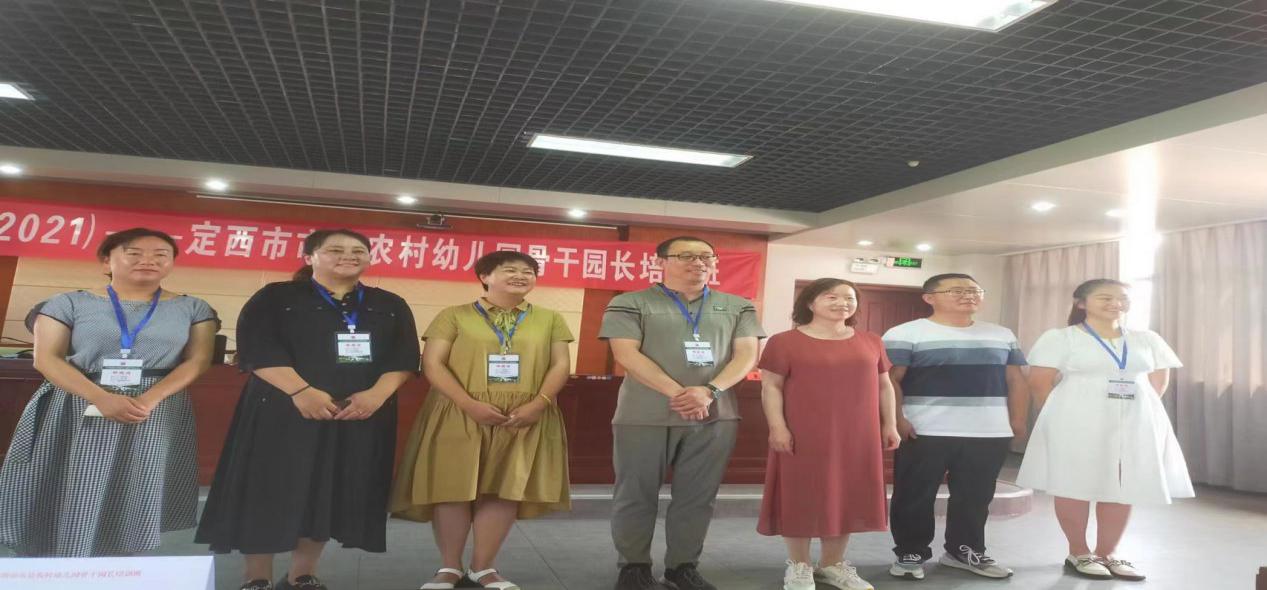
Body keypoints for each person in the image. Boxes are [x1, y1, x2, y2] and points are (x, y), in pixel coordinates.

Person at [195, 229, 419, 590]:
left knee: (328, 490)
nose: (348, 256)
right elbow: (257, 349)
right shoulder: (276, 296)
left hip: (356, 414)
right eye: (335, 249)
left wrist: (377, 395)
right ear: (309, 257)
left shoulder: (389, 303)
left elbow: (404, 356)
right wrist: (301, 391)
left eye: (358, 250)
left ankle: (303, 574)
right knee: (267, 487)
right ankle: (257, 577)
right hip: (281, 410)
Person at [0, 228, 219, 556]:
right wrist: (101, 397)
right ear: (106, 261)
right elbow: (46, 359)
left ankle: (120, 564)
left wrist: (148, 399)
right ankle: (56, 560)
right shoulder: (67, 303)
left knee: (135, 485)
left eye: (161, 255)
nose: (148, 260)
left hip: (154, 407)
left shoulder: (194, 308)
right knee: (70, 483)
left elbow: (198, 361)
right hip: (78, 401)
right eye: (134, 253)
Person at [390, 250, 573, 590]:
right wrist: (468, 404)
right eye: (510, 269)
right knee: (452, 488)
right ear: (485, 276)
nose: (521, 275)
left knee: (504, 489)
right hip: (458, 411)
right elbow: (432, 364)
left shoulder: (550, 319)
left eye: (528, 271)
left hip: (523, 416)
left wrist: (539, 404)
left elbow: (561, 364)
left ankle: (483, 568)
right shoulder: (454, 315)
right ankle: (449, 567)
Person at [601, 236, 764, 590]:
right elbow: (626, 354)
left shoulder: (738, 306)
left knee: (698, 496)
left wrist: (709, 391)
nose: (699, 262)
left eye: (706, 256)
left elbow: (747, 356)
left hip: (714, 415)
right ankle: (633, 567)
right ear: (660, 261)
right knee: (635, 493)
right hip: (644, 415)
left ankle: (682, 566)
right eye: (686, 256)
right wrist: (678, 393)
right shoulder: (629, 302)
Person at [1017, 279, 1192, 581]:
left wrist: (1134, 412)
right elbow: (1039, 382)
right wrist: (1056, 419)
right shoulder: (1061, 337)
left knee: (1123, 483)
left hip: (1134, 420)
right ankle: (1079, 552)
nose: (1116, 303)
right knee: (1073, 481)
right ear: (1081, 303)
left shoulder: (1147, 338)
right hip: (1075, 419)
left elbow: (1158, 382)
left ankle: (1107, 552)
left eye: (1122, 298)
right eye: (1105, 297)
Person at [883, 273, 1028, 581]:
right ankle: (911, 552)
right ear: (929, 298)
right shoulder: (905, 333)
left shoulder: (1001, 334)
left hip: (988, 430)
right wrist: (897, 419)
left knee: (976, 496)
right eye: (957, 290)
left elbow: (1015, 379)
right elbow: (890, 381)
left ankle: (964, 551)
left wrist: (1017, 420)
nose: (968, 295)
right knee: (914, 494)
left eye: (975, 290)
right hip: (924, 429)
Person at [758, 278, 901, 590]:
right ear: (810, 303)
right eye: (831, 297)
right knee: (800, 494)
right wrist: (777, 426)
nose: (842, 303)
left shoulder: (871, 341)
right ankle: (799, 566)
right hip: (803, 431)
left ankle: (832, 565)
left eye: (849, 298)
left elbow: (884, 385)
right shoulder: (784, 341)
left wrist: (889, 424)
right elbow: (771, 387)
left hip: (858, 434)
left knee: (845, 495)